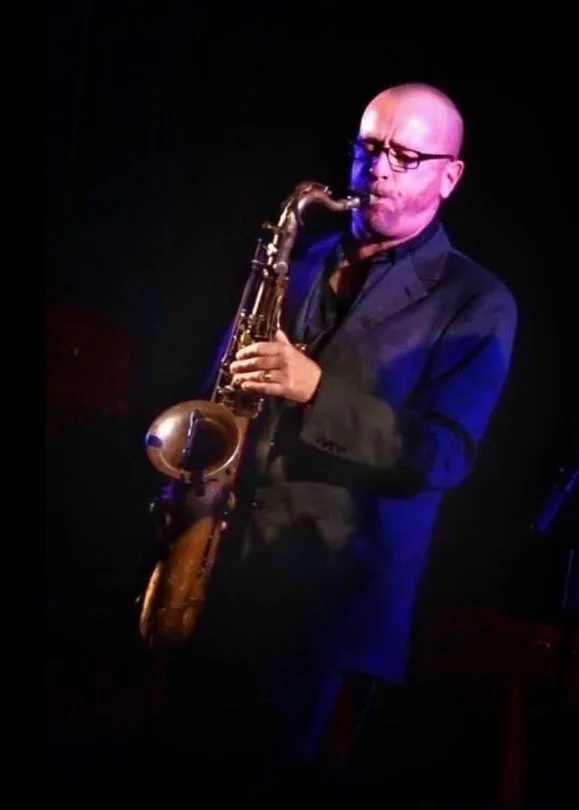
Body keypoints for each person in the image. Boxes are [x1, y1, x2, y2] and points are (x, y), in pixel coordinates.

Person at [153, 81, 518, 804]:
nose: (378, 170)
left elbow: (441, 456)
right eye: (368, 148)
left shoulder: (476, 301)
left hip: (328, 609)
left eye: (405, 156)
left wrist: (316, 389)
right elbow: (221, 388)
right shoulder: (300, 254)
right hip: (223, 575)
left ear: (449, 176)